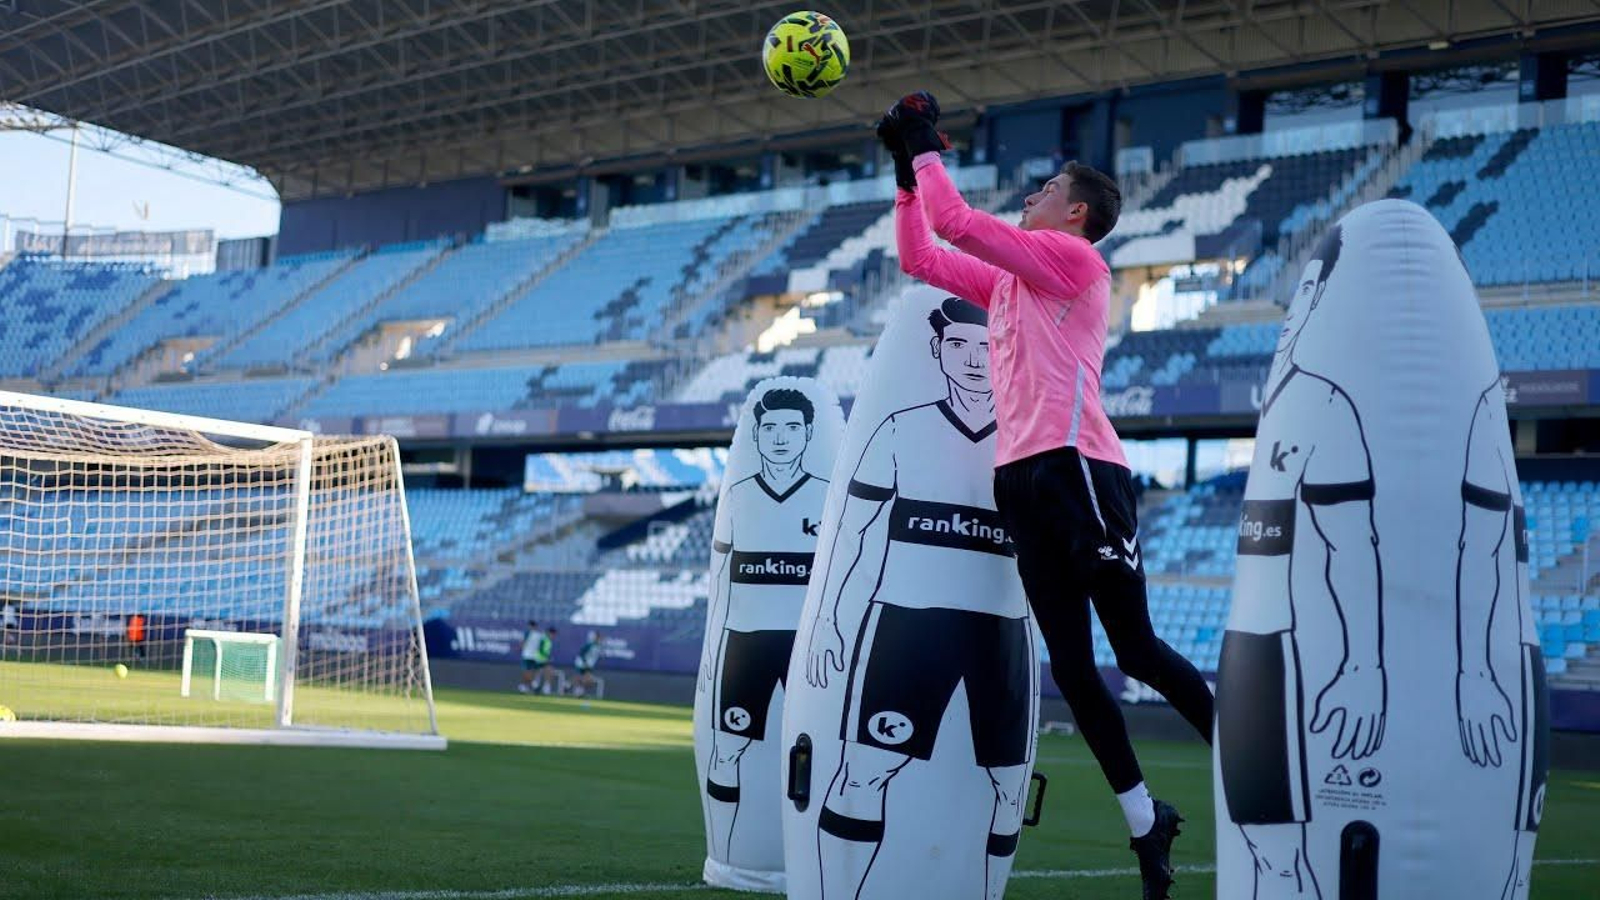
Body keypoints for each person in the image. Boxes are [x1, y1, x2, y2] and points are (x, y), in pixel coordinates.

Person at [879, 91, 1214, 898]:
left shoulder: (1076, 261)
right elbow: (924, 259)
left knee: (1132, 650)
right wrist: (903, 178)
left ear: (1076, 214)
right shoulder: (1007, 287)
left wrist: (926, 143)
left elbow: (957, 221)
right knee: (1070, 664)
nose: (1030, 196)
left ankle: (1259, 772)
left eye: (1045, 189)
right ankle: (1145, 821)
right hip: (1020, 476)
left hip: (1080, 468)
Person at [805, 298, 1032, 900]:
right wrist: (828, 617)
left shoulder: (1027, 435)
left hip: (1000, 631)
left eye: (986, 346)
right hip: (907, 625)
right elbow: (852, 530)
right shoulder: (900, 428)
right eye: (959, 345)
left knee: (1008, 786)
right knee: (864, 772)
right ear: (938, 351)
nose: (975, 358)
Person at [1215, 226, 1384, 899]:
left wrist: (1363, 665)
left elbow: (1354, 544)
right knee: (1258, 846)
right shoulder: (1279, 398)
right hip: (1250, 651)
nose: (1298, 300)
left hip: (1288, 657)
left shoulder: (1327, 402)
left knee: (1281, 852)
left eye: (1312, 290)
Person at [702, 388, 830, 861]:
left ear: (808, 433)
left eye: (792, 427)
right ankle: (730, 852)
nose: (781, 438)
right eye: (770, 428)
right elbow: (720, 576)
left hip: (804, 645)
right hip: (746, 643)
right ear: (756, 435)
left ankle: (811, 859)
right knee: (730, 747)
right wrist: (715, 643)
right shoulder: (737, 496)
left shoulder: (826, 496)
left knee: (821, 751)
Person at [517, 620, 550, 694]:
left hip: (527, 655)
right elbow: (543, 644)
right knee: (529, 672)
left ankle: (533, 685)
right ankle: (524, 686)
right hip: (534, 656)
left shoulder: (528, 633)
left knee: (527, 672)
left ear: (531, 626)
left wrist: (520, 648)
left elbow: (523, 643)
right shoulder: (540, 634)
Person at [572, 630, 603, 697]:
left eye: (599, 637)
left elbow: (595, 656)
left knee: (589, 681)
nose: (599, 639)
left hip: (588, 665)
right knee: (589, 679)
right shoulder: (590, 645)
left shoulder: (598, 646)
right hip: (582, 664)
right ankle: (578, 691)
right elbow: (581, 654)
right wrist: (585, 662)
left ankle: (573, 687)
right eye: (598, 637)